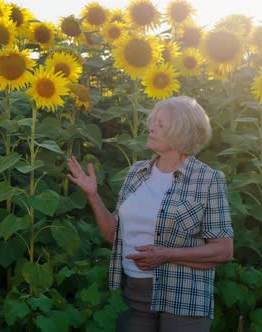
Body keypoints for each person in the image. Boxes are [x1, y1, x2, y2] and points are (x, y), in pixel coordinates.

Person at [66, 96, 233, 332]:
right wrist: (93, 196)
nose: (151, 127)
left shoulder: (208, 179)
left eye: (161, 124)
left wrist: (165, 255)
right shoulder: (137, 173)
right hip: (135, 294)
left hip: (182, 295)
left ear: (181, 132)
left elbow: (223, 250)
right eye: (153, 121)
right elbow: (115, 236)